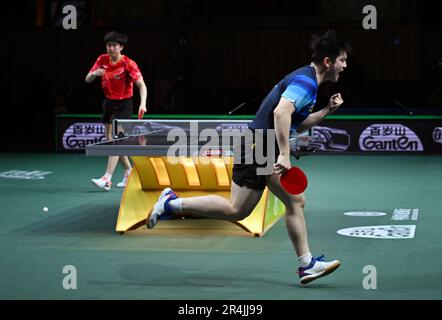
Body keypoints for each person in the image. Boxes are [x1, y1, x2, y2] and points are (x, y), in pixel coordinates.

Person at [147, 30, 350, 285]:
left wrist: (327, 110)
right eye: (342, 59)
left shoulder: (308, 83)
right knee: (237, 209)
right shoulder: (306, 82)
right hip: (259, 146)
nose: (345, 65)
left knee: (295, 199)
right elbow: (280, 114)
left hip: (265, 146)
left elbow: (297, 123)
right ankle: (170, 204)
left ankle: (306, 265)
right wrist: (285, 153)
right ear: (328, 61)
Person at [85, 31, 147, 191]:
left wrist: (143, 103)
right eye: (108, 45)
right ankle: (128, 172)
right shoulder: (102, 59)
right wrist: (93, 74)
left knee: (116, 141)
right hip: (109, 102)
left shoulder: (129, 63)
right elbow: (87, 79)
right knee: (109, 139)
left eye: (114, 45)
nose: (111, 48)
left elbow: (141, 85)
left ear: (121, 47)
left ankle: (107, 179)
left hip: (124, 103)